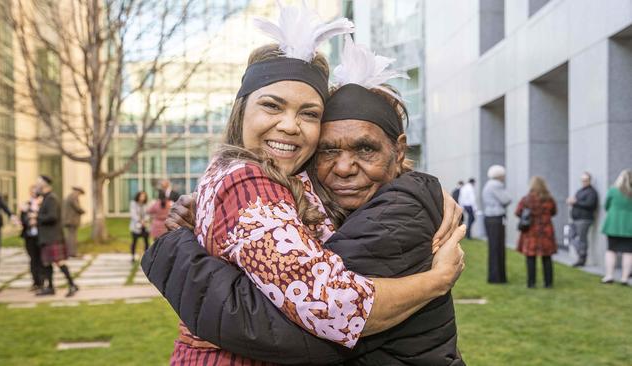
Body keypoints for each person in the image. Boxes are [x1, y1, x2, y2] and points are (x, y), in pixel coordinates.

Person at [144, 8, 465, 365]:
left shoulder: (292, 180)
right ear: (241, 110)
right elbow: (330, 305)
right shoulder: (249, 182)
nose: (289, 125)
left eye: (309, 113)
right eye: (271, 105)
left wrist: (429, 191)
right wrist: (438, 280)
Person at [34, 175, 79, 297]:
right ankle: (50, 287)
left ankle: (72, 285)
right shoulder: (45, 198)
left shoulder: (51, 199)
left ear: (45, 184)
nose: (36, 185)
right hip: (47, 237)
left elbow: (52, 217)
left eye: (38, 182)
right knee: (47, 263)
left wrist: (37, 218)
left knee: (59, 262)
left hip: (52, 237)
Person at [515, 176, 557, 288]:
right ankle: (548, 283)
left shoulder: (527, 199)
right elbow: (554, 211)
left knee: (530, 257)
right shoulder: (549, 199)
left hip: (531, 231)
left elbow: (518, 212)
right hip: (546, 231)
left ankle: (531, 283)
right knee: (547, 257)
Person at [600, 169, 632, 285]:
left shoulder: (613, 190)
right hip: (629, 226)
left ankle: (609, 276)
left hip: (613, 224)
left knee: (611, 250)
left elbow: (606, 205)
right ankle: (624, 278)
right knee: (628, 252)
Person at [482, 165, 511, 283]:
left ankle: (496, 277)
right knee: (497, 248)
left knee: (494, 248)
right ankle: (497, 278)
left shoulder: (489, 185)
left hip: (490, 218)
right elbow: (506, 199)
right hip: (496, 218)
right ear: (499, 175)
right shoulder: (495, 185)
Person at [567, 172, 599, 267]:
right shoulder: (580, 191)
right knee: (570, 236)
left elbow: (590, 205)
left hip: (585, 219)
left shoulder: (592, 192)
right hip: (575, 218)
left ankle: (582, 258)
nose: (584, 182)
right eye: (582, 180)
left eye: (586, 180)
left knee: (582, 239)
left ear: (589, 180)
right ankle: (581, 253)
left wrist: (576, 202)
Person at [19, 185, 44, 291]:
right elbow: (22, 219)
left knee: (42, 259)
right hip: (29, 235)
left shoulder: (43, 204)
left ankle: (43, 281)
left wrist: (36, 219)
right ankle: (35, 282)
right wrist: (29, 220)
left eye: (36, 191)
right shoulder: (26, 205)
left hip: (41, 235)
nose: (34, 193)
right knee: (33, 259)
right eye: (32, 191)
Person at [62, 186, 85, 257]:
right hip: (72, 220)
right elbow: (77, 207)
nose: (79, 194)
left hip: (69, 220)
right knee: (72, 237)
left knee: (70, 236)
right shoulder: (73, 197)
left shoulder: (70, 196)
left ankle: (70, 252)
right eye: (80, 193)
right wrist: (82, 211)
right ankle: (72, 253)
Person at [129, 191, 150, 262]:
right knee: (134, 241)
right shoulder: (133, 203)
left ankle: (146, 257)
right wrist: (139, 220)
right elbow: (133, 214)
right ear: (138, 196)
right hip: (135, 226)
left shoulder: (146, 204)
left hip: (145, 226)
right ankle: (133, 256)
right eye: (141, 196)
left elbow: (148, 213)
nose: (142, 198)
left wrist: (144, 221)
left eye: (144, 196)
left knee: (146, 241)